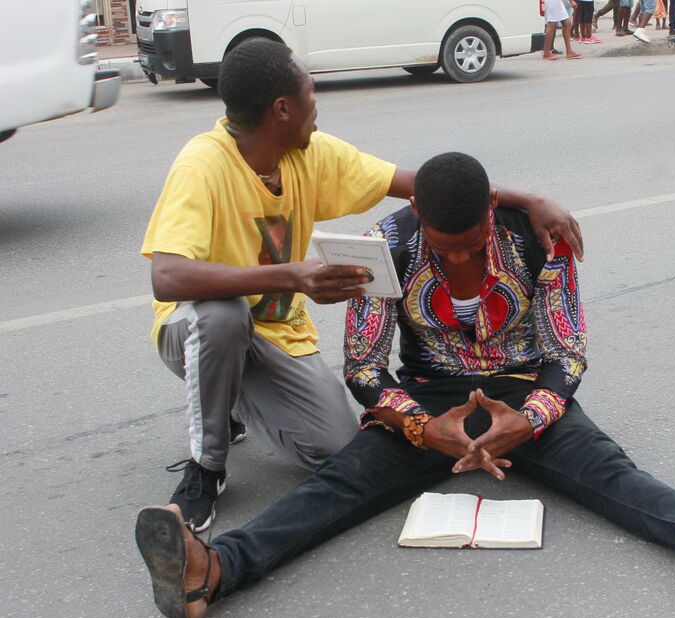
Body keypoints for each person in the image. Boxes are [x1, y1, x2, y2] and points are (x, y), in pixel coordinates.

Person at [135, 152, 675, 618]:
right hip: (430, 398)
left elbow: (567, 347)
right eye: (445, 246)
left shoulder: (539, 236)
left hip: (527, 391)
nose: (461, 256)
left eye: (473, 242)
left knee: (612, 473)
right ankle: (211, 571)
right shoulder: (387, 245)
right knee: (337, 484)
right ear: (421, 226)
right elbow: (365, 367)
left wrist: (533, 416)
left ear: (492, 211)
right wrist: (418, 425)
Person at [141, 39, 585, 534]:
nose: (317, 102)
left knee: (334, 448)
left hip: (275, 336)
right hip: (197, 329)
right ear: (283, 108)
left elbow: (429, 186)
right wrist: (294, 275)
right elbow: (167, 276)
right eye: (310, 90)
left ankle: (228, 394)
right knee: (223, 317)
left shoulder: (308, 154)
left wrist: (530, 200)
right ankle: (205, 468)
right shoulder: (202, 165)